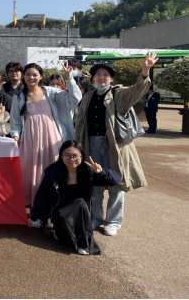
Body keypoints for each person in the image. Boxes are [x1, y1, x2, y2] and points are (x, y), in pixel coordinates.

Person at [75, 53, 158, 237]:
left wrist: (145, 71)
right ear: (92, 78)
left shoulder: (119, 94)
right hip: (91, 143)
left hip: (115, 145)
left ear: (112, 79)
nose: (101, 77)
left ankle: (113, 221)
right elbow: (80, 123)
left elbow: (137, 90)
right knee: (94, 183)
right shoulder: (87, 97)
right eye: (98, 74)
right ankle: (96, 217)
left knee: (115, 183)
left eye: (106, 75)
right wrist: (78, 145)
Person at [30, 140, 121, 256]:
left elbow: (116, 179)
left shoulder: (87, 171)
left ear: (81, 156)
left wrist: (101, 172)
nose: (71, 159)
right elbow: (42, 195)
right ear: (61, 156)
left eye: (75, 156)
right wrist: (35, 216)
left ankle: (84, 245)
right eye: (67, 155)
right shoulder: (53, 171)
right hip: (60, 214)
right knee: (65, 237)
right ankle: (63, 233)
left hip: (80, 215)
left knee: (80, 202)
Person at [10, 62, 82, 207]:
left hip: (52, 136)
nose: (31, 77)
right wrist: (16, 136)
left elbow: (74, 99)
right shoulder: (18, 97)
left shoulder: (51, 92)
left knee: (53, 167)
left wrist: (69, 79)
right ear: (23, 76)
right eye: (28, 74)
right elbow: (15, 121)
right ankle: (34, 206)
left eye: (35, 75)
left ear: (41, 77)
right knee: (29, 169)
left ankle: (54, 203)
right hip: (29, 139)